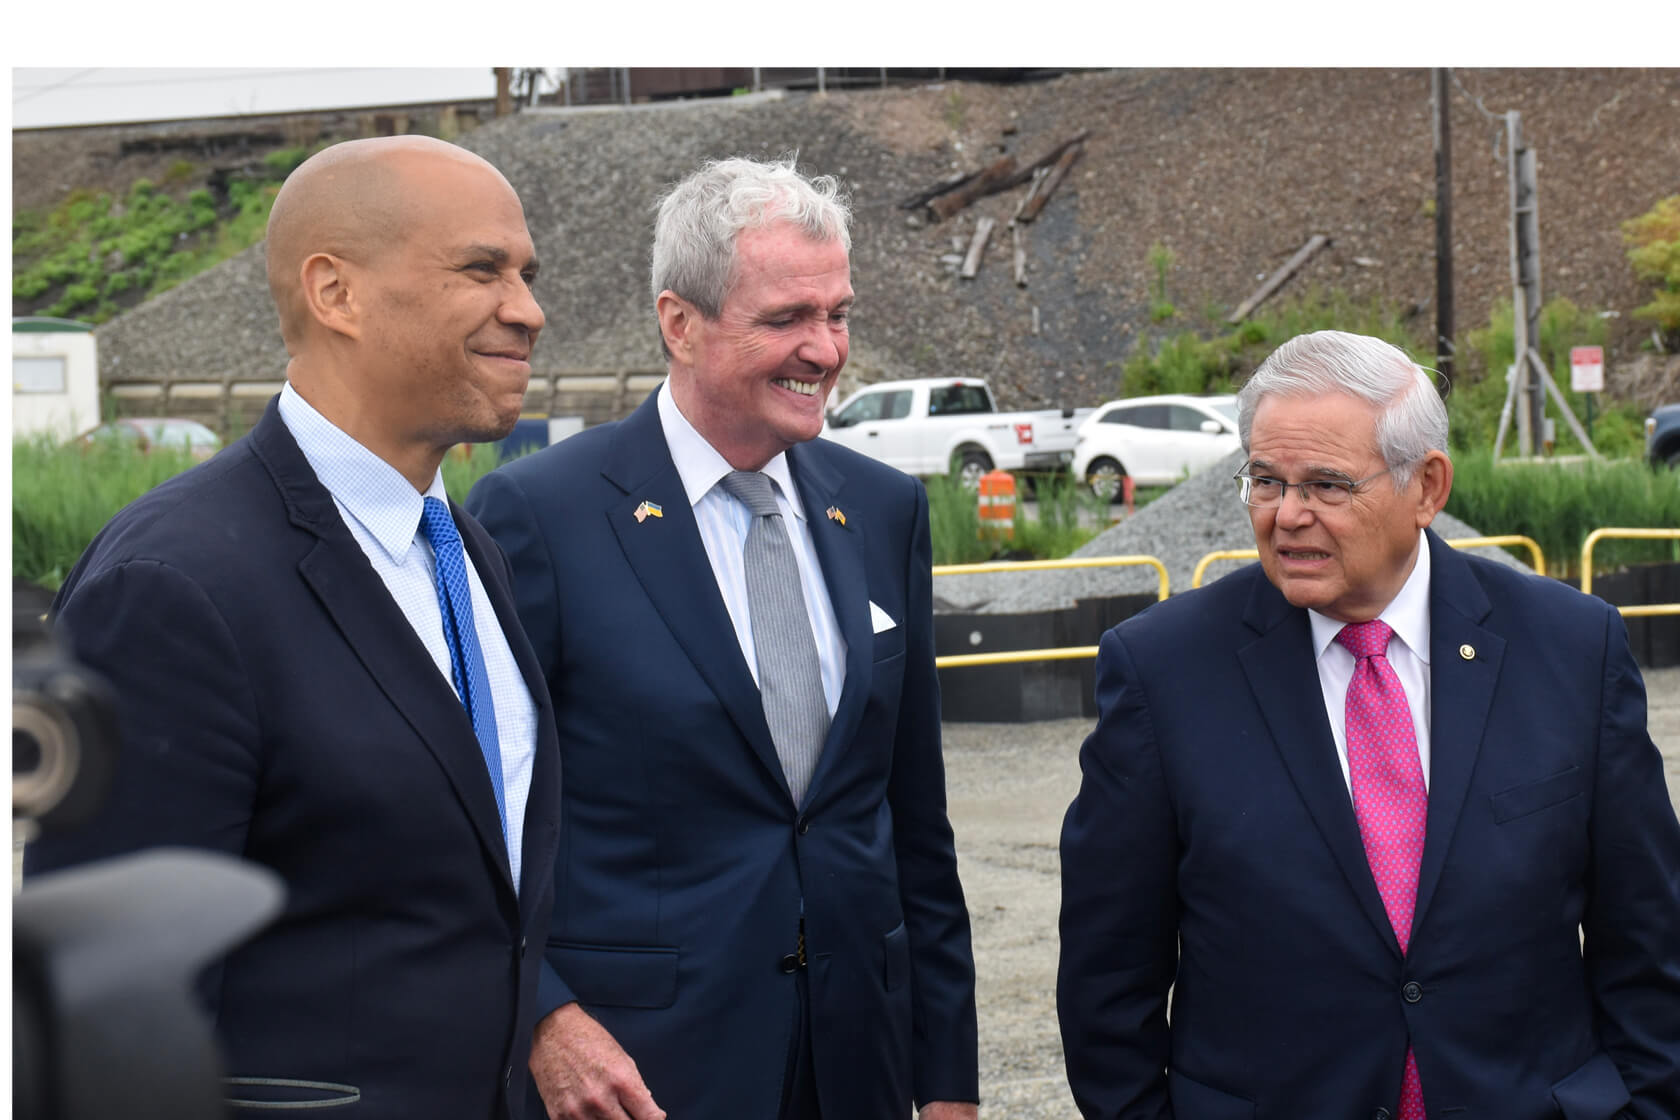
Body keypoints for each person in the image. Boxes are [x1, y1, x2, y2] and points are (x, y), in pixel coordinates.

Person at [24, 135, 562, 1119]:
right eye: (482, 269)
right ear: (335, 293)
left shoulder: (468, 555)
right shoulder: (175, 583)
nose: (528, 309)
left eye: (527, 274)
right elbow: (106, 1010)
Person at [466, 156, 979, 1120]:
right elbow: (477, 815)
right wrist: (544, 1018)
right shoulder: (538, 516)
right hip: (643, 1072)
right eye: (787, 319)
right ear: (679, 323)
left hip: (856, 1062)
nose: (825, 350)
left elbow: (912, 816)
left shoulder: (882, 508)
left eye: (838, 314)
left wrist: (946, 1074)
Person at [1057, 329, 1680, 1119]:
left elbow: (1649, 946)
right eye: (1266, 481)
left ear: (1426, 487)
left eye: (1326, 485)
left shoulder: (1571, 648)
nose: (1287, 516)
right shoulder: (1160, 671)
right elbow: (1107, 979)